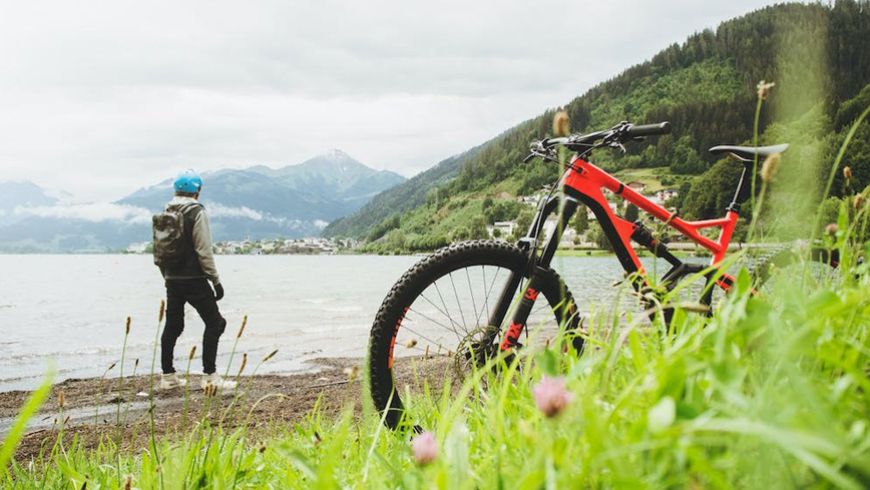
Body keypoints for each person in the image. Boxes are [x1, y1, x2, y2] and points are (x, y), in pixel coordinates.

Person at [154, 170, 237, 391]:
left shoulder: (166, 211)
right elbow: (204, 250)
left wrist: (167, 276)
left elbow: (160, 250)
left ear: (176, 190)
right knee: (216, 323)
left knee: (173, 325)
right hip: (194, 278)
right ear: (197, 191)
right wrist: (215, 280)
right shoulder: (196, 212)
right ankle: (209, 376)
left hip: (171, 277)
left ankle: (168, 377)